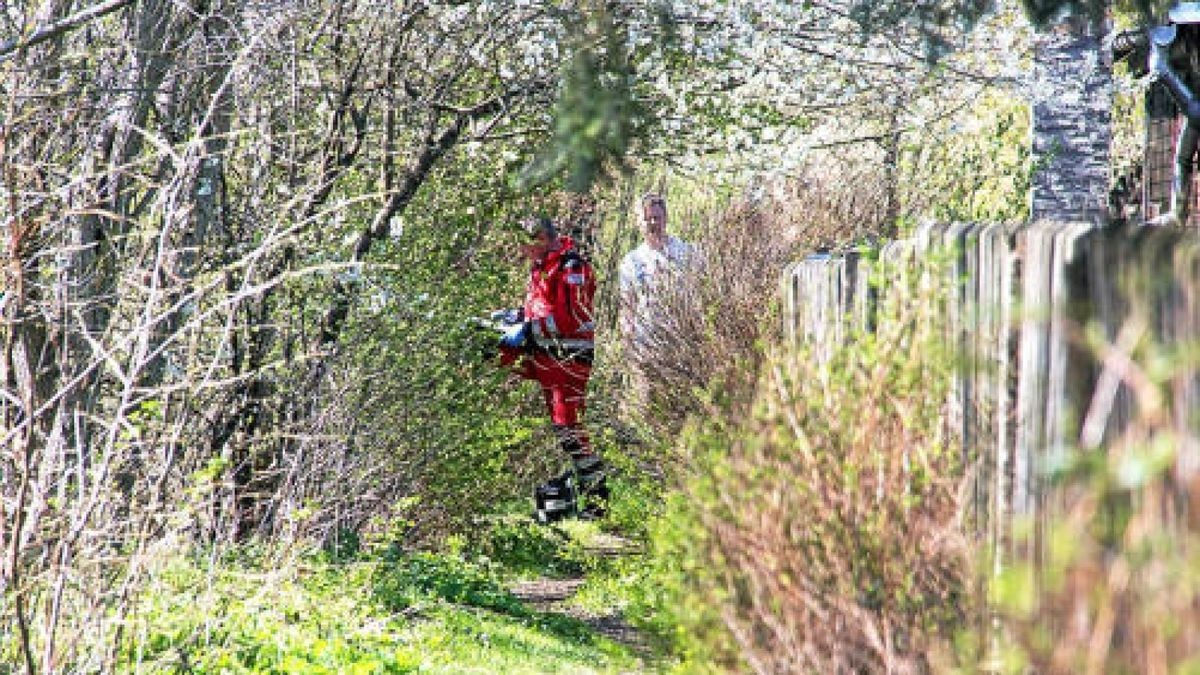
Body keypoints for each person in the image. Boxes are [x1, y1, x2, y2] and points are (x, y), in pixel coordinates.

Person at [494, 216, 607, 521]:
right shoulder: (542, 266)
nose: (521, 251)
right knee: (563, 428)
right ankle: (590, 498)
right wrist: (515, 317)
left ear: (541, 238)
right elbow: (541, 308)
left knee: (569, 427)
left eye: (525, 244)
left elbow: (568, 318)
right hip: (547, 354)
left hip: (569, 356)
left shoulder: (572, 266)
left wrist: (527, 331)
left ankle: (598, 502)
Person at [617, 193, 696, 409]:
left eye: (657, 217)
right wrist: (628, 342)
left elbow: (699, 296)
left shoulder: (686, 253)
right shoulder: (631, 261)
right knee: (648, 406)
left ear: (666, 218)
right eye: (648, 218)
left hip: (681, 345)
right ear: (639, 222)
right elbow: (627, 305)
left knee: (681, 406)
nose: (653, 223)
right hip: (646, 346)